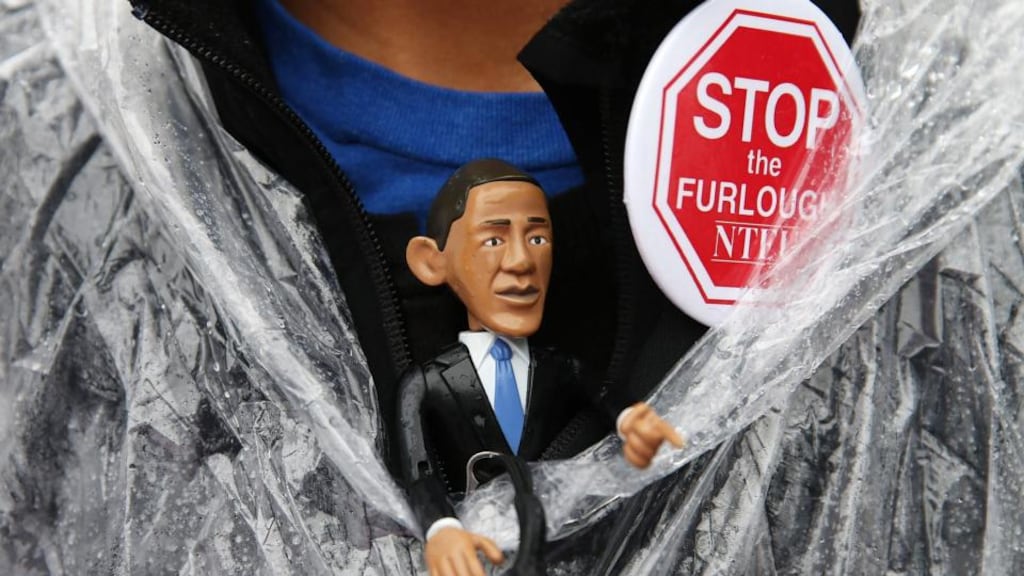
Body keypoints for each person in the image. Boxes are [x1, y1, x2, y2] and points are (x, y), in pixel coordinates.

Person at [396, 159, 683, 576]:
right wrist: (442, 528)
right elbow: (418, 472)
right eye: (493, 240)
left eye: (537, 237)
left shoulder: (559, 368)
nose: (520, 262)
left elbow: (602, 394)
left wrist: (629, 419)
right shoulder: (425, 383)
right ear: (431, 261)